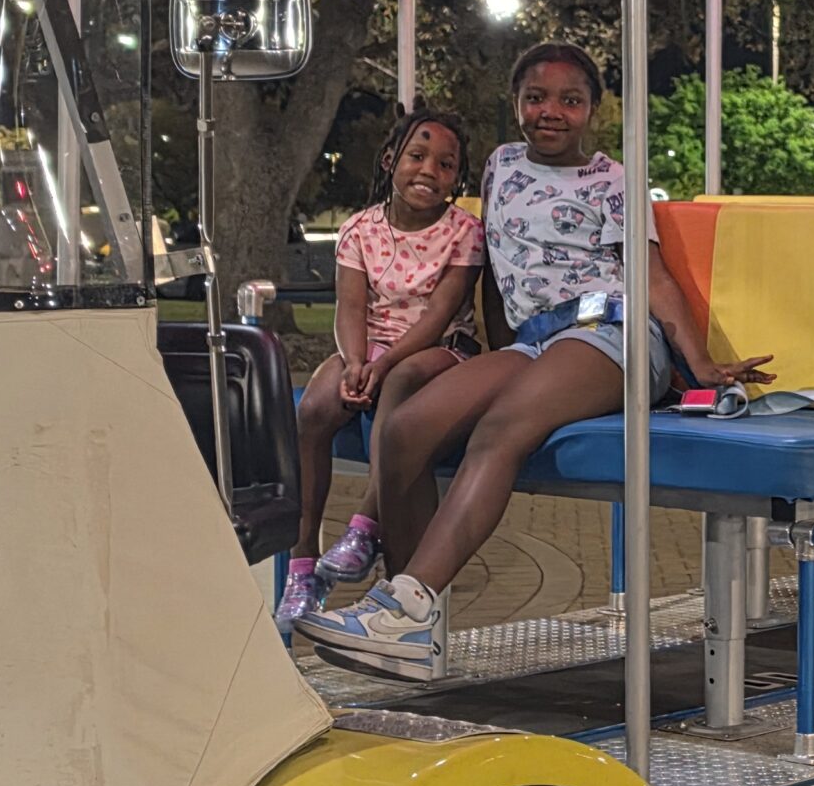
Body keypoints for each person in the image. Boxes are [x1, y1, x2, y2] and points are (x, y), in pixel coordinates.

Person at [327, 41, 768, 648]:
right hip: (536, 342)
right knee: (405, 429)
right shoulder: (502, 165)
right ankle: (405, 632)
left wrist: (699, 366)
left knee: (502, 426)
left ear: (593, 111)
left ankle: (407, 605)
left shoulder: (614, 179)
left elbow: (651, 278)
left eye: (570, 100)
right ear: (516, 105)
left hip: (610, 330)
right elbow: (496, 271)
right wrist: (492, 354)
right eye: (536, 98)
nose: (551, 112)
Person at [278, 110, 485, 626]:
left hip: (439, 349)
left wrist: (384, 362)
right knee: (312, 410)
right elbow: (350, 308)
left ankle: (366, 525)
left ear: (457, 178)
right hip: (368, 347)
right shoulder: (358, 229)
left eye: (444, 164)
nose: (428, 171)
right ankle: (303, 565)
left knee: (401, 380)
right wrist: (353, 363)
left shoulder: (464, 232)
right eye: (417, 156)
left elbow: (440, 314)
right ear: (392, 160)